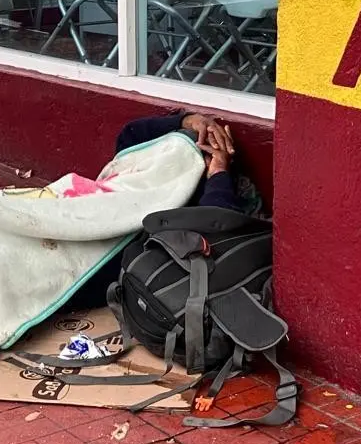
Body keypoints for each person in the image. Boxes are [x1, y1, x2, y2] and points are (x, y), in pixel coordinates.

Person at [65, 112, 244, 311]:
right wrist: (185, 120)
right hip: (82, 205)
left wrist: (218, 173)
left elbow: (216, 223)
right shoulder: (141, 160)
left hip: (102, 248)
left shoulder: (187, 191)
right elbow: (130, 137)